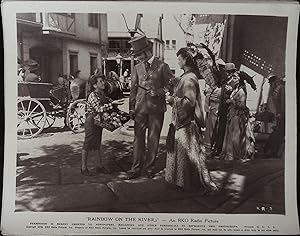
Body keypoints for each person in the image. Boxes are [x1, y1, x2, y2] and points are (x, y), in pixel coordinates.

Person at [165, 47, 217, 192]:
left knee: (186, 154)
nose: (178, 61)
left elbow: (189, 103)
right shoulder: (186, 76)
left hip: (186, 124)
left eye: (180, 59)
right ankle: (182, 182)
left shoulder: (189, 78)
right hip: (181, 122)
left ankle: (187, 183)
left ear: (186, 60)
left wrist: (172, 99)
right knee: (185, 154)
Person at [127, 35, 174, 179]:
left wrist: (159, 92)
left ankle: (149, 168)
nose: (138, 58)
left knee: (153, 139)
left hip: (156, 110)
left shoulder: (162, 66)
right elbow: (133, 89)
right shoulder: (137, 67)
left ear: (147, 52)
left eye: (139, 55)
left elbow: (171, 86)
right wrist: (131, 108)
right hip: (140, 110)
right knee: (137, 139)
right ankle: (135, 168)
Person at [81, 73, 124, 176]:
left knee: (97, 144)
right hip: (91, 121)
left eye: (102, 81)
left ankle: (99, 166)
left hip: (98, 121)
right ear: (95, 85)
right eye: (100, 81)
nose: (103, 82)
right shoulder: (93, 95)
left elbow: (108, 102)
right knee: (88, 143)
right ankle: (83, 168)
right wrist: (112, 104)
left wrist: (115, 102)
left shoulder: (102, 94)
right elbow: (98, 109)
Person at [220, 64, 256, 161]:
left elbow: (242, 105)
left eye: (236, 78)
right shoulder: (235, 90)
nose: (234, 79)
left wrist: (232, 101)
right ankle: (229, 154)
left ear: (239, 80)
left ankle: (235, 154)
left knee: (235, 135)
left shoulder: (241, 91)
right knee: (230, 135)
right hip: (232, 114)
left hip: (237, 116)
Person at [212, 63, 240, 156]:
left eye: (229, 72)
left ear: (233, 72)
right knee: (220, 129)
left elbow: (237, 96)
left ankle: (224, 150)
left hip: (230, 109)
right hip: (222, 109)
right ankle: (218, 148)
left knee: (226, 131)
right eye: (226, 72)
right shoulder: (224, 81)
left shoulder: (235, 83)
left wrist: (231, 101)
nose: (227, 74)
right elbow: (221, 97)